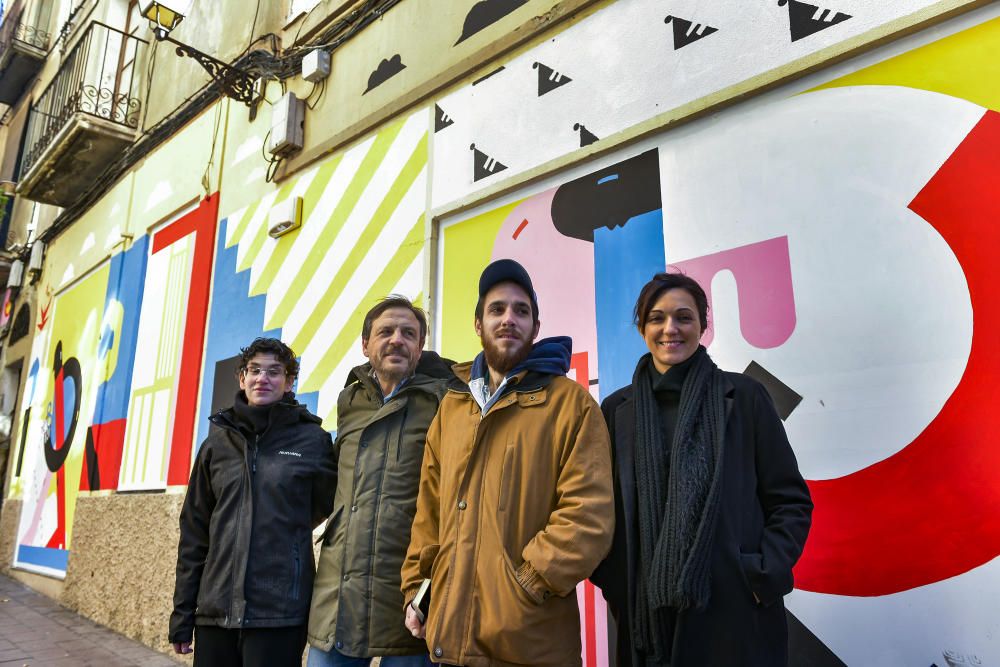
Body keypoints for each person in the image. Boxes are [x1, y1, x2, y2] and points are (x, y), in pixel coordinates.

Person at [590, 272, 813, 666]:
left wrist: (759, 576)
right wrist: (618, 585)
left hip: (734, 616)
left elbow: (789, 500)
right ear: (642, 327)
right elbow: (599, 511)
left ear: (703, 326)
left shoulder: (743, 398)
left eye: (683, 317)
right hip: (648, 624)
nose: (670, 329)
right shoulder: (616, 411)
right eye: (657, 318)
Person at [401, 258, 614, 667]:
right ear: (478, 324)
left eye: (521, 310)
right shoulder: (453, 406)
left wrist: (528, 582)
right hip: (448, 642)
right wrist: (418, 589)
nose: (508, 319)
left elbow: (589, 515)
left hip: (529, 645)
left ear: (536, 326)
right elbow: (428, 510)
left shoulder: (571, 405)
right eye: (496, 309)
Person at [169, 337, 337, 666]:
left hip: (279, 615)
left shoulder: (313, 441)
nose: (263, 378)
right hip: (216, 613)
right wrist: (182, 615)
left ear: (289, 383)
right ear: (242, 378)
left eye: (275, 372)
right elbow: (194, 533)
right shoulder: (216, 444)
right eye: (255, 370)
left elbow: (322, 507)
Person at [307, 296, 452, 666]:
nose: (396, 340)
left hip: (407, 594)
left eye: (409, 333)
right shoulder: (349, 401)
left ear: (420, 348)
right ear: (365, 344)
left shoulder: (444, 404)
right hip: (339, 593)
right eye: (385, 331)